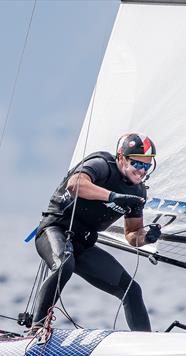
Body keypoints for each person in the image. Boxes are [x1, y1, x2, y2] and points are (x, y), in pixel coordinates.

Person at [31, 132, 161, 332]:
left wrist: (146, 237)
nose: (142, 171)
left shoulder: (138, 192)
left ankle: (147, 346)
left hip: (83, 246)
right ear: (121, 158)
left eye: (147, 165)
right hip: (54, 230)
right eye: (137, 163)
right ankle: (37, 328)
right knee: (64, 263)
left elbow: (132, 235)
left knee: (132, 290)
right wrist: (113, 196)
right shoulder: (102, 165)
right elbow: (75, 184)